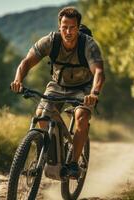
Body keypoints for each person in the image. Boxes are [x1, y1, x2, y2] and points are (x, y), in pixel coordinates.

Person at [10, 6, 105, 178]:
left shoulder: (88, 45)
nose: (68, 31)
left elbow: (98, 72)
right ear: (59, 26)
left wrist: (94, 94)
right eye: (64, 27)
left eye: (72, 27)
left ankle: (74, 163)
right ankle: (52, 153)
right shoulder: (50, 41)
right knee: (41, 114)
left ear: (78, 27)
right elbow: (26, 63)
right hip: (57, 85)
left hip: (83, 87)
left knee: (81, 117)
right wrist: (18, 80)